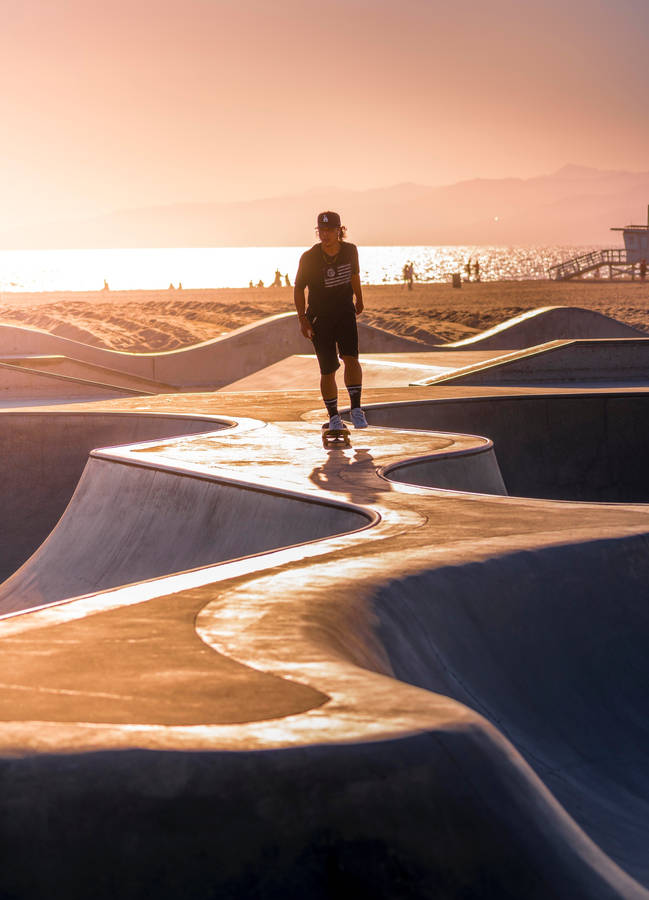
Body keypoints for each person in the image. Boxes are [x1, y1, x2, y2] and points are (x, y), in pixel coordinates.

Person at [294, 210, 368, 430]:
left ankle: (356, 409)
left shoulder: (350, 251)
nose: (324, 235)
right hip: (319, 318)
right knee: (327, 369)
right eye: (321, 231)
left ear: (339, 231)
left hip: (345, 313)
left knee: (351, 359)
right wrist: (302, 319)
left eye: (329, 230)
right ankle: (334, 416)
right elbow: (298, 289)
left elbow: (354, 276)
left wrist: (360, 299)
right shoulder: (309, 257)